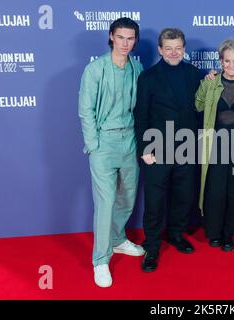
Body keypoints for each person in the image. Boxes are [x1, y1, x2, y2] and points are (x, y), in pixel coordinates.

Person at [78, 17, 145, 288]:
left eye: (130, 38)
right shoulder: (95, 69)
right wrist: (93, 146)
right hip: (104, 143)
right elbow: (86, 110)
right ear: (111, 37)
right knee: (105, 203)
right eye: (121, 37)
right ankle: (100, 260)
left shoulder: (137, 67)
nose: (125, 43)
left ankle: (117, 240)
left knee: (127, 197)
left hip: (130, 140)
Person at [134, 28, 201, 272]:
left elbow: (202, 108)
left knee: (183, 197)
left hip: (186, 147)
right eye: (168, 48)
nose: (174, 52)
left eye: (178, 48)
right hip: (156, 149)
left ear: (184, 48)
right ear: (161, 50)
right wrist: (144, 148)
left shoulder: (195, 74)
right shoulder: (148, 77)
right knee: (154, 202)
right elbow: (140, 115)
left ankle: (176, 234)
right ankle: (151, 247)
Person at [195, 38, 234, 251]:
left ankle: (228, 233)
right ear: (220, 61)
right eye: (227, 61)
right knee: (215, 190)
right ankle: (214, 232)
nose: (231, 66)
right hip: (216, 146)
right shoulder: (211, 82)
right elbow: (198, 105)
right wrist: (205, 84)